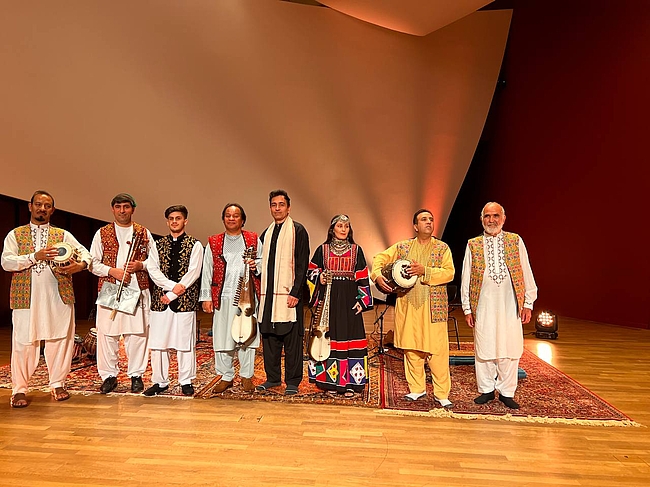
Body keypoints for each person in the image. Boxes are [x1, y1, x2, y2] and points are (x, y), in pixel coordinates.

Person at [1, 190, 92, 408]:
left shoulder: (63, 235)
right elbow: (7, 262)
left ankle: (58, 383)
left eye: (47, 206)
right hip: (26, 297)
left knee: (60, 339)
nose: (42, 209)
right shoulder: (16, 234)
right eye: (38, 204)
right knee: (24, 341)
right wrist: (35, 256)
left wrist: (80, 265)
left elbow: (86, 254)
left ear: (53, 210)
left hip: (58, 296)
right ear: (30, 206)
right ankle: (19, 389)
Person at [372, 209, 454, 407]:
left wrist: (424, 271)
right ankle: (417, 389)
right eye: (424, 219)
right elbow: (379, 259)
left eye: (431, 219)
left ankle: (441, 393)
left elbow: (449, 273)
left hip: (433, 308)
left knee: (437, 351)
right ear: (415, 226)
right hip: (408, 305)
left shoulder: (442, 248)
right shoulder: (403, 247)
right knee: (411, 348)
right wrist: (377, 276)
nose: (428, 222)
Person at [460, 202, 538, 409]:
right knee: (484, 346)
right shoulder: (473, 244)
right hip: (483, 305)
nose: (491, 220)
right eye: (487, 216)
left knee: (509, 347)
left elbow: (526, 271)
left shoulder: (515, 240)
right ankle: (486, 389)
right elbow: (466, 277)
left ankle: (507, 391)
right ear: (481, 219)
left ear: (503, 219)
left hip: (510, 304)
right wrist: (467, 308)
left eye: (496, 216)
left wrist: (528, 303)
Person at [90, 193, 154, 394]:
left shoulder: (143, 232)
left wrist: (141, 265)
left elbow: (155, 261)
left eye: (126, 206)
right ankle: (109, 376)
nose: (122, 210)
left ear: (133, 209)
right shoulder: (102, 233)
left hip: (137, 288)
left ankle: (136, 375)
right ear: (113, 209)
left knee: (137, 334)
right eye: (118, 207)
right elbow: (92, 263)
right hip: (110, 288)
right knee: (107, 333)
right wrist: (112, 271)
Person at [306, 214, 373, 397]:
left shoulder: (356, 250)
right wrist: (319, 277)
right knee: (329, 338)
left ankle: (351, 383)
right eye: (340, 226)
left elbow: (362, 276)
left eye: (346, 226)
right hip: (329, 301)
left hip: (350, 301)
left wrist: (362, 301)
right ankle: (329, 381)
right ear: (332, 229)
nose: (343, 229)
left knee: (350, 338)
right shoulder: (323, 250)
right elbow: (311, 272)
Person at [200, 203, 262, 394]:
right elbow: (207, 269)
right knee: (223, 336)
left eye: (235, 216)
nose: (231, 218)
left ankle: (246, 376)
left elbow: (262, 261)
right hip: (223, 295)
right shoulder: (214, 241)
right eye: (228, 215)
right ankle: (226, 376)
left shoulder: (253, 239)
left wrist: (256, 266)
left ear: (242, 220)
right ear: (223, 219)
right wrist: (206, 297)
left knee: (247, 334)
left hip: (247, 296)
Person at [143, 205, 203, 396]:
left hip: (185, 301)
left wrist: (173, 294)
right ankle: (160, 382)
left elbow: (194, 272)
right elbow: (153, 270)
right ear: (167, 222)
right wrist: (171, 287)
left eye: (178, 218)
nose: (175, 221)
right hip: (160, 302)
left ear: (185, 221)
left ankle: (186, 381)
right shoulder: (157, 245)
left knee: (185, 343)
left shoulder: (195, 245)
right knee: (158, 343)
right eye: (171, 219)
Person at [256, 190, 310, 396]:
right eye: (274, 205)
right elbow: (262, 264)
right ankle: (272, 378)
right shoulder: (266, 233)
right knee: (270, 336)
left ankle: (293, 381)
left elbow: (302, 264)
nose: (277, 208)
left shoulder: (298, 231)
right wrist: (254, 266)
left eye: (281, 204)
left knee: (291, 339)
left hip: (289, 294)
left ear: (288, 207)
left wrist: (296, 292)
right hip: (269, 295)